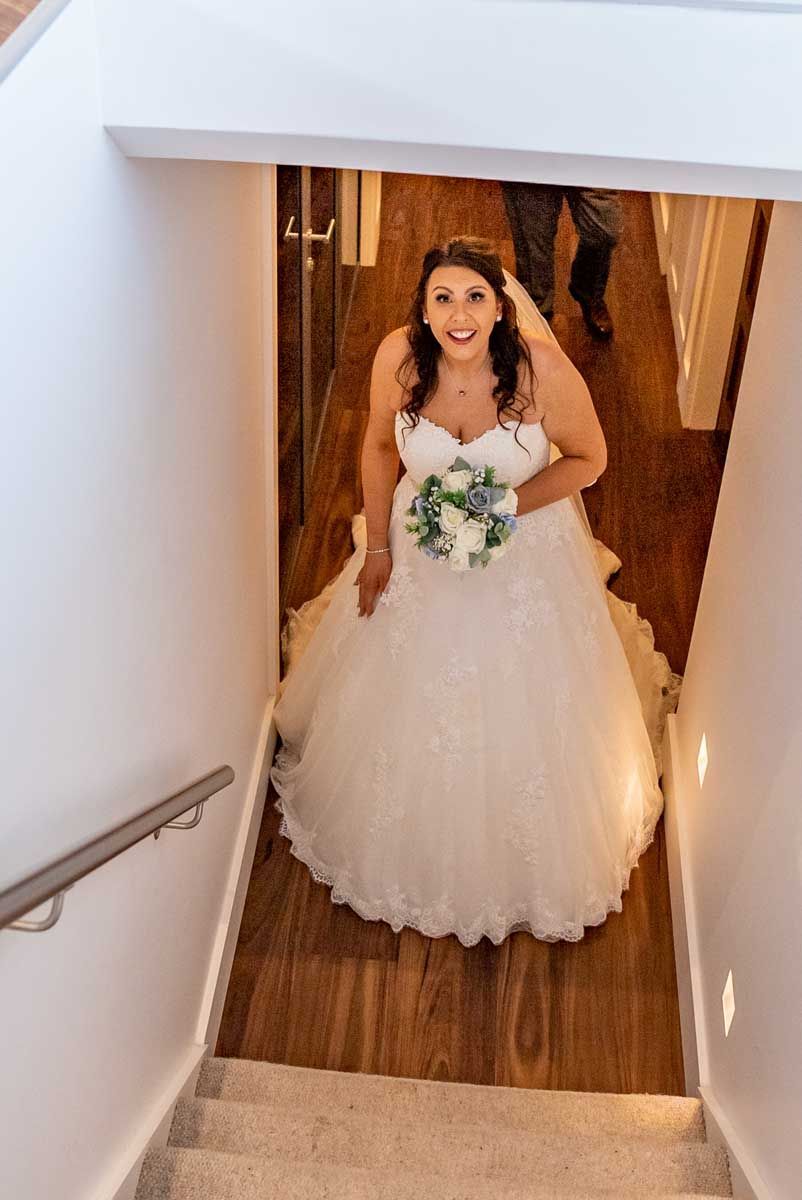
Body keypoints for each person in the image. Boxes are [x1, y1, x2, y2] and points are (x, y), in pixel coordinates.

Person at [270, 236, 680, 947]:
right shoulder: (399, 360)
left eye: (474, 298)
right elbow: (377, 447)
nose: (459, 315)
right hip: (418, 540)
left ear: (499, 308)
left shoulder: (539, 370)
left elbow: (591, 459)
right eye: (443, 299)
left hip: (523, 545)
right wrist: (377, 548)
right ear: (424, 310)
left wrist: (505, 507)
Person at [501, 183, 623, 339]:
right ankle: (535, 310)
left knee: (604, 231)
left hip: (592, 169)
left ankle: (588, 291)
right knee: (534, 240)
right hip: (533, 171)